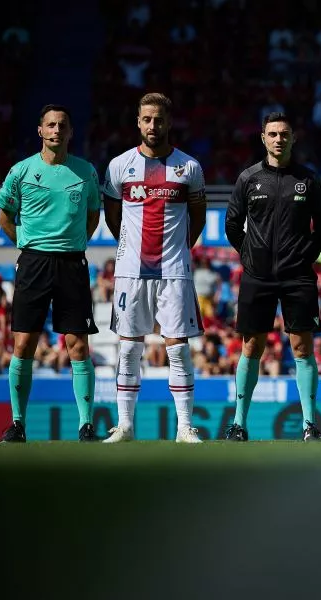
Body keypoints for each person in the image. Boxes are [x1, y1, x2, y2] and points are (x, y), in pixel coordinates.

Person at [101, 93, 207, 444]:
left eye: (158, 119)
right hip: (131, 271)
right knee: (129, 348)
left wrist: (176, 250)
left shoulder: (189, 168)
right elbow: (113, 216)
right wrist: (129, 248)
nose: (152, 125)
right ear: (138, 122)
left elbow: (198, 218)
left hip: (174, 270)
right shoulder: (120, 166)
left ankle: (184, 428)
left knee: (177, 348)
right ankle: (126, 426)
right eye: (146, 119)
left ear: (168, 122)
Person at [0, 104, 101, 442]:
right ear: (40, 130)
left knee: (78, 346)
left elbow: (93, 216)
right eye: (51, 125)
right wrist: (27, 246)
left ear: (71, 132)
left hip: (72, 263)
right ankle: (17, 423)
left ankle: (86, 425)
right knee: (24, 343)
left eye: (63, 125)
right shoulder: (20, 172)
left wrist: (72, 243)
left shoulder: (86, 172)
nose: (57, 130)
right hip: (33, 263)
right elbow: (5, 216)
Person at [224, 112, 321, 441]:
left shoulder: (309, 180)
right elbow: (232, 225)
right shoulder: (248, 179)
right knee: (251, 346)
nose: (278, 139)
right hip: (257, 276)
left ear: (293, 138)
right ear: (263, 138)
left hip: (297, 277)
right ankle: (239, 424)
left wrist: (303, 258)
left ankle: (309, 425)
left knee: (302, 347)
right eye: (272, 134)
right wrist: (250, 256)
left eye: (284, 134)